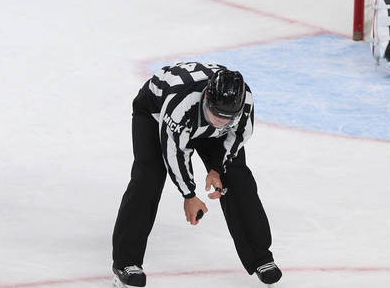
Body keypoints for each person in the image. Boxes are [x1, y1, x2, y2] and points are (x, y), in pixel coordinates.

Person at [111, 64, 280, 287]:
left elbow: (238, 137)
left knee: (238, 179)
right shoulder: (181, 105)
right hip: (155, 114)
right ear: (206, 98)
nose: (220, 122)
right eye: (216, 114)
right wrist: (189, 195)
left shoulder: (244, 101)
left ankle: (261, 258)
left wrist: (218, 169)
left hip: (199, 122)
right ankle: (126, 263)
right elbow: (175, 153)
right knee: (148, 178)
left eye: (227, 118)